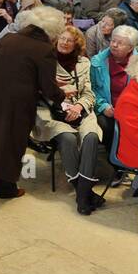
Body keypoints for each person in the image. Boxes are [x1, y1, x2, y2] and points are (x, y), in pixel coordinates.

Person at [0, 7, 67, 198]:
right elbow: (48, 88)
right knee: (10, 141)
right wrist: (63, 95)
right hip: (16, 101)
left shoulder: (8, 38)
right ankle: (7, 188)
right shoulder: (44, 49)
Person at [31, 26, 105, 214]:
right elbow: (34, 89)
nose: (64, 43)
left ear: (76, 44)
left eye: (69, 40)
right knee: (69, 138)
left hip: (80, 109)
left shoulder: (84, 63)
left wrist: (79, 106)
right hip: (52, 111)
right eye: (61, 39)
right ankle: (84, 194)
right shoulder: (45, 61)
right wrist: (58, 92)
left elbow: (89, 92)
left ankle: (82, 193)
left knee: (91, 137)